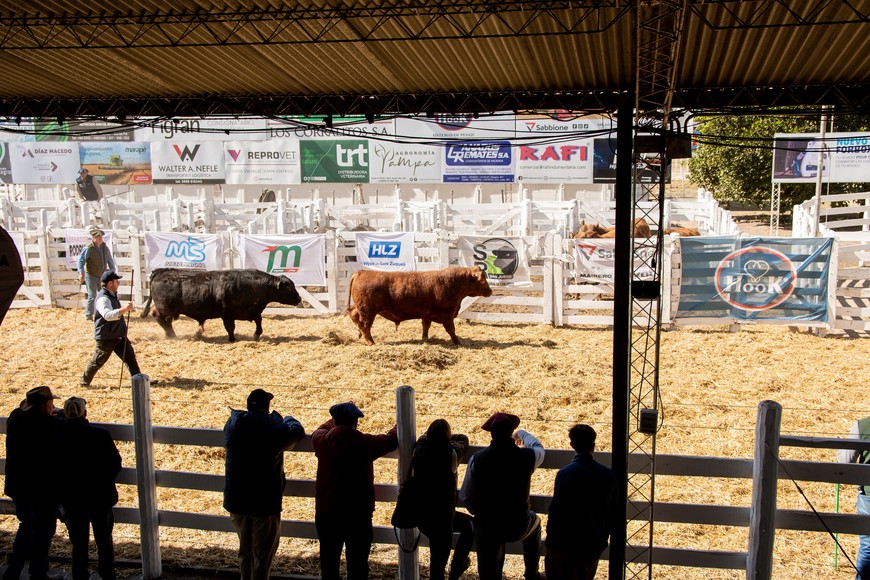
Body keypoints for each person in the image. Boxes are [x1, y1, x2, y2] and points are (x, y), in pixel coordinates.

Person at [223, 388, 305, 580]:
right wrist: (288, 419)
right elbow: (296, 431)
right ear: (267, 407)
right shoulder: (274, 429)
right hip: (264, 503)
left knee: (245, 552)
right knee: (262, 556)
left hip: (236, 500)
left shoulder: (232, 425)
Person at [312, 402, 398, 580]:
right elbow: (390, 440)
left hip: (327, 513)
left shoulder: (322, 441)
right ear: (355, 422)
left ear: (335, 421)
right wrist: (400, 425)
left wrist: (332, 422)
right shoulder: (365, 443)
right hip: (357, 514)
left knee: (329, 563)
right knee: (358, 565)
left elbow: (319, 430)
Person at [459, 412, 545, 580]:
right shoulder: (527, 456)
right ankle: (532, 573)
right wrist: (522, 434)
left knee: (488, 572)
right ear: (511, 432)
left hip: (487, 527)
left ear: (491, 434)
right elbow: (539, 448)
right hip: (517, 525)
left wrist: (480, 513)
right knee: (536, 523)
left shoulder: (477, 459)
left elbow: (466, 496)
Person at [3, 386, 64, 580]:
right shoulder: (46, 424)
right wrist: (59, 415)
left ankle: (13, 570)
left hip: (18, 485)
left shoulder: (15, 418)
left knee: (26, 526)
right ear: (45, 406)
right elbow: (61, 426)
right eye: (51, 403)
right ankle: (38, 572)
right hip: (40, 489)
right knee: (44, 531)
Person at [59, 397, 122, 580]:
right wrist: (105, 483)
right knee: (104, 539)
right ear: (85, 413)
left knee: (79, 542)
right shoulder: (100, 435)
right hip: (100, 497)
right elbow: (115, 464)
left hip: (73, 500)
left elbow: (56, 471)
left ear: (65, 416)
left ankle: (79, 574)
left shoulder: (58, 439)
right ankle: (107, 573)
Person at [545, 424, 618, 580]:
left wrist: (551, 543)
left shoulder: (565, 474)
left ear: (572, 445)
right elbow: (612, 512)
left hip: (566, 543)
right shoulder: (608, 475)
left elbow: (556, 511)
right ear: (593, 445)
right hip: (592, 543)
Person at [411, 419, 474, 580]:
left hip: (423, 514)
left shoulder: (418, 450)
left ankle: (457, 567)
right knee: (469, 527)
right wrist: (448, 438)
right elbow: (463, 439)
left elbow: (422, 437)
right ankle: (457, 566)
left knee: (437, 562)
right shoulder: (450, 455)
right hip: (443, 517)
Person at [80, 271, 140, 388]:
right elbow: (107, 315)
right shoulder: (103, 298)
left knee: (130, 358)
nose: (118, 283)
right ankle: (84, 382)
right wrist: (125, 309)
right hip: (107, 337)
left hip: (118, 334)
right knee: (98, 361)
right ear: (110, 283)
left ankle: (139, 380)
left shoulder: (111, 295)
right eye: (116, 281)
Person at [838, 416, 870, 580]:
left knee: (868, 546)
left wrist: (840, 447)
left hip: (868, 496)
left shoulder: (862, 426)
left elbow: (845, 461)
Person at [77, 227, 115, 321]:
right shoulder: (88, 248)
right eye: (98, 237)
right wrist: (81, 273)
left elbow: (110, 261)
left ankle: (103, 313)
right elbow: (81, 261)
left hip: (102, 275)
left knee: (104, 295)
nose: (100, 239)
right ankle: (89, 315)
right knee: (92, 296)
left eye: (101, 237)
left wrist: (112, 272)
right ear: (93, 238)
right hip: (91, 275)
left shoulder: (105, 248)